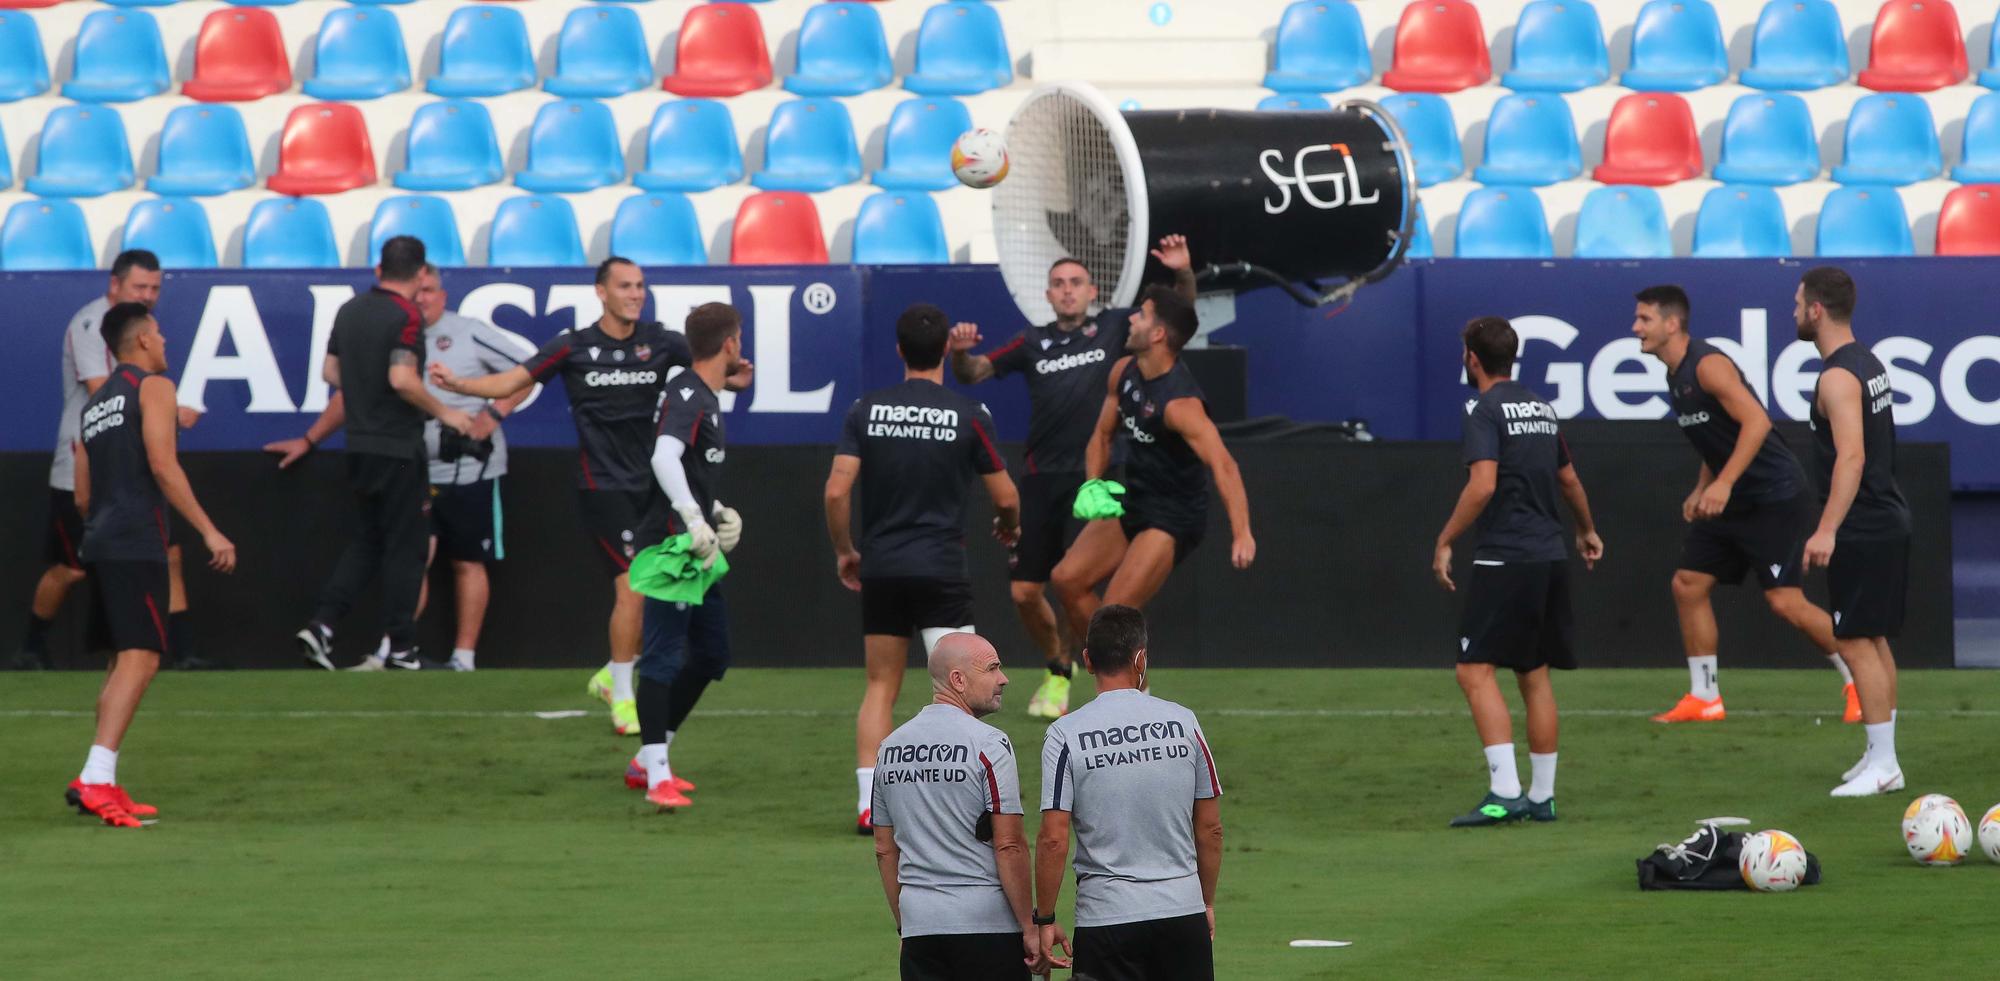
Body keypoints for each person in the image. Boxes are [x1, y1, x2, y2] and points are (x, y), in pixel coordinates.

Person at [433, 258, 748, 733]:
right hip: (601, 485)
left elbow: (720, 374)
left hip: (651, 491)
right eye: (625, 286)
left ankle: (613, 676)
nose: (636, 294)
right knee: (632, 587)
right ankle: (623, 698)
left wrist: (737, 368)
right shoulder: (574, 347)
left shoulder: (662, 342)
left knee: (651, 596)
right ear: (601, 292)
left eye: (640, 285)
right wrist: (459, 385)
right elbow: (514, 380)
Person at [948, 239, 1198, 720]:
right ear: (1047, 294)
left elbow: (1178, 316)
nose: (1067, 291)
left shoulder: (1112, 329)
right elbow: (975, 372)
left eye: (1075, 283)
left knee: (1077, 585)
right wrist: (960, 354)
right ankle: (1060, 667)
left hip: (1102, 481)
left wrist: (1183, 273)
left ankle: (1116, 680)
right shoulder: (1031, 342)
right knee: (1025, 590)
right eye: (1058, 284)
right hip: (1042, 478)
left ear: (1092, 291)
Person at [269, 266, 531, 672]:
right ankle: (394, 649)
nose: (422, 298)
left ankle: (464, 656)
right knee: (412, 556)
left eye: (430, 291)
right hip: (412, 466)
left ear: (443, 295)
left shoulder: (467, 330)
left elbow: (530, 371)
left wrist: (493, 415)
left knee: (467, 560)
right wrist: (310, 439)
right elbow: (351, 395)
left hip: (468, 468)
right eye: (418, 290)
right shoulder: (392, 329)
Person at [825, 303, 1020, 835]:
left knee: (880, 686)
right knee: (968, 686)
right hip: (940, 569)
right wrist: (1010, 526)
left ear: (898, 350)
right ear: (943, 352)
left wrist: (846, 549)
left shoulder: (866, 409)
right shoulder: (968, 412)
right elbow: (1006, 495)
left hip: (883, 567)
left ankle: (869, 805)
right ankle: (967, 799)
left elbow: (837, 490)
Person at [1632, 285, 1857, 724]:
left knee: (1785, 602)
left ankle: (1858, 682)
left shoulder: (1708, 365)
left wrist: (1724, 483)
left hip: (1773, 494)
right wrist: (1705, 486)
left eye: (1644, 319)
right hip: (1732, 498)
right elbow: (1717, 437)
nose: (1635, 327)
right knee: (1689, 584)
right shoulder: (1673, 375)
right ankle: (1705, 698)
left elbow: (1755, 420)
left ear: (1672, 323)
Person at [65, 302, 236, 827]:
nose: (165, 342)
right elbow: (164, 464)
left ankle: (102, 779)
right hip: (137, 541)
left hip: (101, 540)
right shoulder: (154, 388)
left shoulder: (94, 407)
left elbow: (81, 495)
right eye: (159, 333)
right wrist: (210, 529)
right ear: (140, 342)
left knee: (123, 660)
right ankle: (95, 777)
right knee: (141, 657)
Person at [1432, 316, 1603, 827]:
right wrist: (1587, 530)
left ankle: (1505, 792)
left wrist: (1445, 539)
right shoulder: (1541, 409)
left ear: (1472, 359)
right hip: (1549, 554)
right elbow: (1569, 480)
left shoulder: (1484, 410)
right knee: (1533, 673)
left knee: (1473, 669)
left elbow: (1482, 485)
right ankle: (1542, 796)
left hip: (1506, 556)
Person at [17, 250, 212, 671]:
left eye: (155, 288)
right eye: (140, 287)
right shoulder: (92, 326)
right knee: (71, 569)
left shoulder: (137, 334)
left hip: (125, 468)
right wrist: (170, 412)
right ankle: (31, 646)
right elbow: (102, 392)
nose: (148, 295)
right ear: (114, 285)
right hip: (82, 466)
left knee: (169, 552)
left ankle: (184, 650)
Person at [1048, 287, 1254, 672]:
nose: (1131, 319)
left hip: (1174, 516)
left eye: (1141, 315)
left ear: (1158, 334)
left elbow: (1225, 465)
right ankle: (1121, 679)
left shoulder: (1180, 405)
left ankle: (1122, 689)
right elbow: (1102, 436)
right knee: (1066, 579)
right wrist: (1093, 483)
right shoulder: (1123, 372)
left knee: (1114, 613)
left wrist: (1242, 533)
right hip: (1137, 497)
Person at [293, 237, 474, 672]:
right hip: (397, 446)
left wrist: (364, 390)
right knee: (407, 549)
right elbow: (402, 379)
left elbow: (330, 371)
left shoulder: (350, 309)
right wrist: (448, 413)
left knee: (369, 541)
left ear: (379, 270)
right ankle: (403, 648)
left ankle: (322, 624)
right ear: (420, 276)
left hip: (358, 444)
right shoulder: (406, 315)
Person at [1035, 604, 1222, 981]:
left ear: (1087, 661)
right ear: (1141, 659)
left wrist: (1045, 918)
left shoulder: (1065, 734)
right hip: (1181, 914)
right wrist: (1205, 902)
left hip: (1107, 920)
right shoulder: (1184, 722)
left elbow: (1053, 840)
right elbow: (1211, 830)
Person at [623, 303, 747, 809]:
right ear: (731, 344)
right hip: (673, 547)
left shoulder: (704, 397)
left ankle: (649, 758)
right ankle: (656, 777)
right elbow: (663, 456)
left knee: (712, 654)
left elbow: (688, 467)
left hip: (697, 546)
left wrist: (714, 511)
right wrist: (692, 520)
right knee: (661, 656)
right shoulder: (689, 394)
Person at [1796, 267, 1913, 798]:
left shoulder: (1837, 376)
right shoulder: (1869, 363)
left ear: (1816, 309)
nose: (1793, 311)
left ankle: (1885, 763)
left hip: (1863, 523)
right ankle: (1879, 751)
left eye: (1798, 303)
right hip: (1886, 515)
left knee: (1853, 639)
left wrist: (1826, 530)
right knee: (1872, 637)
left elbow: (1852, 456)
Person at [871, 632, 1039, 981]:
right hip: (987, 927)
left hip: (922, 931)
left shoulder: (890, 748)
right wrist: (1030, 926)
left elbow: (885, 850)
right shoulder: (989, 743)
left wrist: (907, 926)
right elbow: (1009, 845)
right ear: (958, 680)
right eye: (992, 669)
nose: (1003, 679)